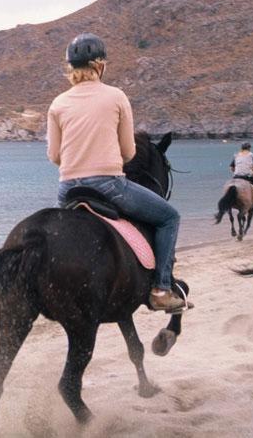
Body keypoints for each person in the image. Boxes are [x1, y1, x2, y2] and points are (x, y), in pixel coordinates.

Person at [47, 32, 190, 312]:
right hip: (109, 185)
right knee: (169, 218)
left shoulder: (58, 104)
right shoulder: (116, 97)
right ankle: (161, 288)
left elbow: (54, 156)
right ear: (99, 65)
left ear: (71, 68)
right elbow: (128, 153)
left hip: (67, 189)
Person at [230, 142, 253, 208]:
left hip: (237, 176)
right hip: (247, 177)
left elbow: (232, 168)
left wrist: (238, 172)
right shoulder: (252, 155)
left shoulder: (236, 155)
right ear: (249, 148)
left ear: (241, 148)